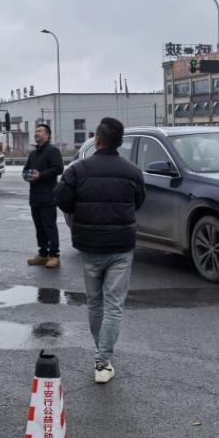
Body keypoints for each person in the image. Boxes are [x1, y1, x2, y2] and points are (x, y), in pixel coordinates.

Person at [54, 117, 145, 384]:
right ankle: (103, 360)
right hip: (121, 245)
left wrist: (81, 212)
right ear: (121, 142)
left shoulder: (78, 169)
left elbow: (61, 199)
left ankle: (101, 355)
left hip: (90, 244)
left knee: (95, 303)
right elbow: (138, 201)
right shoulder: (132, 171)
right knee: (114, 305)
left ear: (97, 140)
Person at [24, 124, 65, 268]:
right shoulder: (33, 153)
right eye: (36, 131)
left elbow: (59, 168)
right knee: (39, 227)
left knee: (49, 227)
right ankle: (42, 254)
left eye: (40, 131)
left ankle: (54, 255)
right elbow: (26, 169)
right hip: (34, 196)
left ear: (47, 135)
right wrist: (26, 175)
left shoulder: (52, 151)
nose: (36, 133)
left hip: (48, 196)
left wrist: (40, 175)